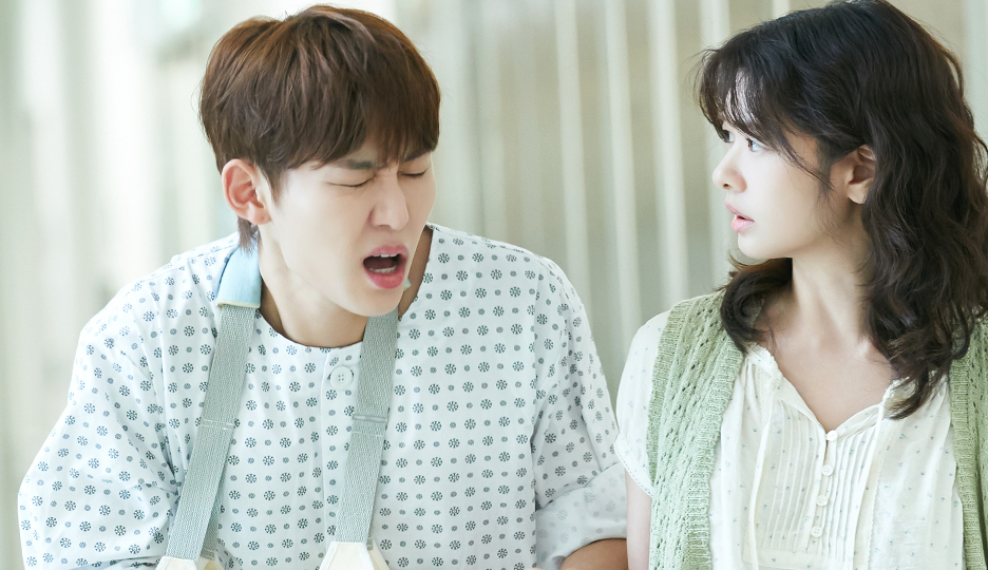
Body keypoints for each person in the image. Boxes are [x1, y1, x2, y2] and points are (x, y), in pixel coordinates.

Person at [17, 6, 627, 570]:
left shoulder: (522, 306)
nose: (397, 211)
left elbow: (594, 526)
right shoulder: (144, 342)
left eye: (414, 169)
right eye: (355, 181)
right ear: (251, 193)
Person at [616, 1, 988, 569]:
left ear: (861, 170)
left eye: (756, 142)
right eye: (728, 137)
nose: (724, 173)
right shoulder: (672, 356)